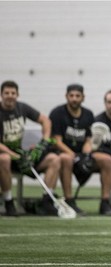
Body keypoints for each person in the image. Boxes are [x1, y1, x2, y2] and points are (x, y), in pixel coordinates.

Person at [49, 83, 111, 215]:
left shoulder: (88, 114)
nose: (74, 98)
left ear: (83, 97)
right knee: (66, 158)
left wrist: (86, 155)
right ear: (66, 96)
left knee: (107, 160)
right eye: (71, 96)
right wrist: (75, 155)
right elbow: (56, 141)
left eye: (77, 96)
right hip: (64, 153)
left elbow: (88, 139)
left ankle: (105, 203)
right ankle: (69, 200)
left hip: (82, 154)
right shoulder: (57, 113)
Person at [0, 80, 61, 216]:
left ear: (18, 94)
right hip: (6, 156)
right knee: (4, 159)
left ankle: (46, 201)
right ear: (1, 95)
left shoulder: (22, 108)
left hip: (21, 155)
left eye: (13, 93)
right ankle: (9, 202)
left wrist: (43, 141)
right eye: (7, 93)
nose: (10, 96)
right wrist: (16, 157)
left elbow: (45, 120)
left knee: (54, 159)